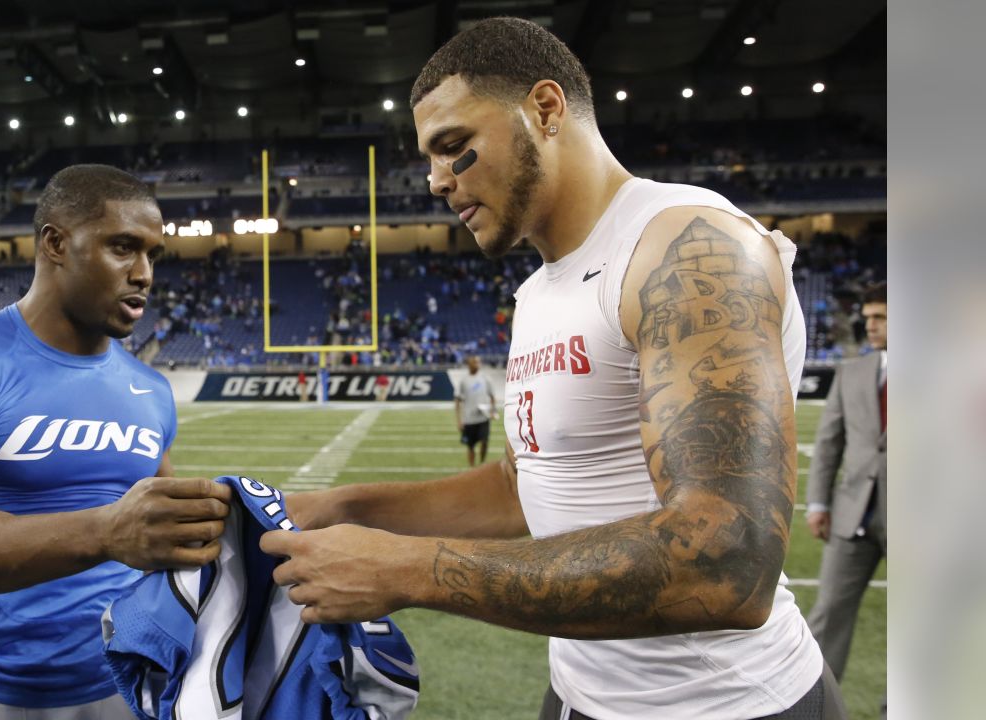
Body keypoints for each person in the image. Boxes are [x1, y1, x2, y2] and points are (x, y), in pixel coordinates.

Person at [264, 18, 845, 720]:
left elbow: (730, 562)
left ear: (544, 109)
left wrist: (409, 569)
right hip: (580, 692)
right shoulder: (540, 288)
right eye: (429, 159)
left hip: (726, 707)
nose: (437, 181)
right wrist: (347, 509)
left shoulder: (688, 247)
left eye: (454, 148)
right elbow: (526, 489)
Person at [0, 164, 231, 719]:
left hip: (119, 677)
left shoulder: (151, 389)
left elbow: (161, 533)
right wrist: (106, 531)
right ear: (56, 243)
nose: (143, 274)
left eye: (152, 256)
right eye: (122, 247)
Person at [805, 281, 887, 681]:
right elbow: (828, 443)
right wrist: (818, 503)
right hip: (852, 513)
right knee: (829, 613)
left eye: (881, 317)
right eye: (868, 316)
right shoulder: (852, 372)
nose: (870, 325)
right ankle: (818, 702)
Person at [454, 356, 496, 466]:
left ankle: (481, 464)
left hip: (483, 417)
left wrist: (492, 411)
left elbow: (492, 397)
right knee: (470, 446)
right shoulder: (463, 380)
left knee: (485, 442)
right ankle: (472, 469)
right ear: (469, 364)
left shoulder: (485, 378)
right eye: (474, 362)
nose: (477, 364)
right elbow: (457, 400)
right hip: (469, 419)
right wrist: (459, 420)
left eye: (478, 362)